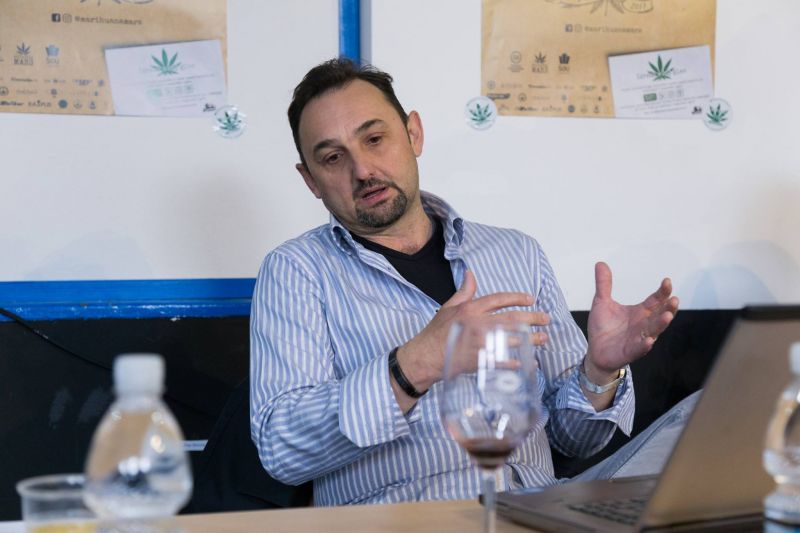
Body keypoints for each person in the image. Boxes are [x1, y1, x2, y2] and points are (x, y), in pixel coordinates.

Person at [250, 58, 679, 506]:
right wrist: (416, 363)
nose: (362, 170)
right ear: (310, 180)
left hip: (535, 512)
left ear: (414, 134)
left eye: (374, 139)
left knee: (696, 417)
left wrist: (600, 372)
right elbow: (282, 449)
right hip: (406, 518)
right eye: (333, 158)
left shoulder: (516, 253)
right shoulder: (296, 271)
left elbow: (575, 441)